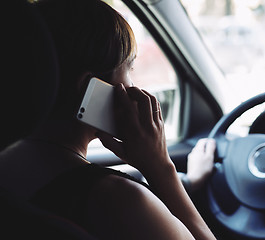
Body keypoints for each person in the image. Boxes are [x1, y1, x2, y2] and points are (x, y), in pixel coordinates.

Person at [0, 0, 216, 239]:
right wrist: (160, 167)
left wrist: (189, 182)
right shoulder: (120, 200)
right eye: (129, 70)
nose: (135, 87)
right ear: (90, 89)